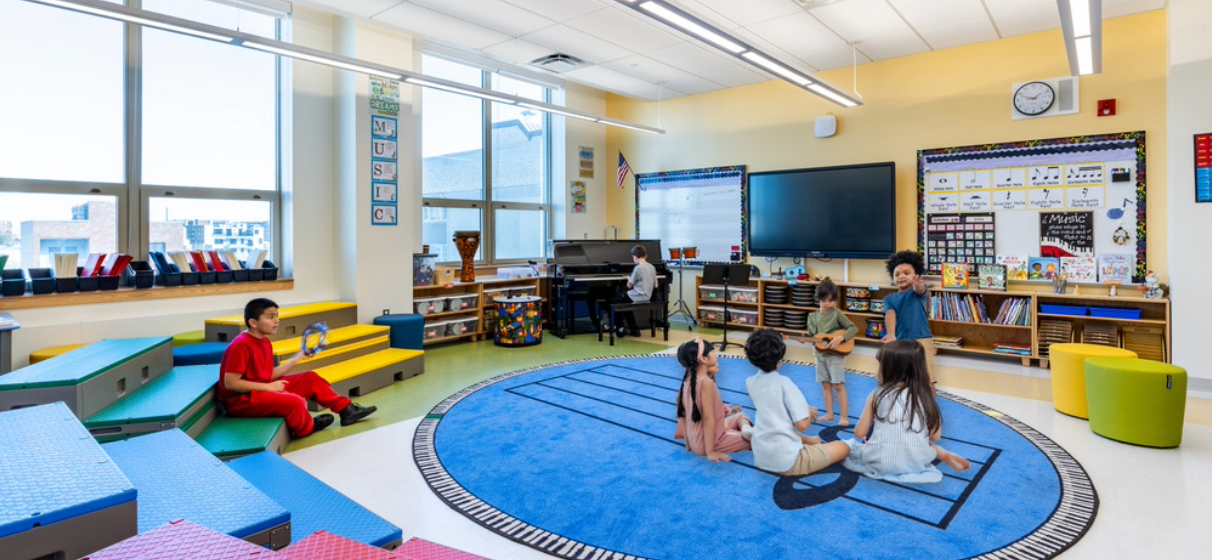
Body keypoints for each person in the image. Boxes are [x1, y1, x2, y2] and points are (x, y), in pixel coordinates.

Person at [217, 298, 377, 437]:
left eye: (277, 316)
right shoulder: (241, 345)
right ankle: (307, 428)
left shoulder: (265, 341)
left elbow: (268, 375)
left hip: (259, 389)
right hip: (240, 401)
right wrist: (267, 388)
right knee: (295, 402)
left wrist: (296, 359)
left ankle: (346, 410)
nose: (277, 321)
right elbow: (231, 383)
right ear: (253, 322)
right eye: (271, 317)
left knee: (310, 378)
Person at [843, 340, 970, 482]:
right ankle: (938, 453)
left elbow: (859, 433)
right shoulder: (925, 397)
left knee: (849, 445)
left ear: (888, 370)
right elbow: (935, 436)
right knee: (921, 442)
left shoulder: (877, 394)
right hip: (916, 463)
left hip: (878, 462)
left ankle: (928, 451)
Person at [744, 329, 850, 476]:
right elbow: (802, 425)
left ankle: (811, 442)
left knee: (779, 426)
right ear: (779, 361)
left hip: (761, 456)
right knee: (843, 447)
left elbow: (776, 410)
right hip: (788, 462)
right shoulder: (784, 383)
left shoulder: (750, 382)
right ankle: (811, 446)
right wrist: (809, 413)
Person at [673, 337, 752, 462]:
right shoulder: (706, 382)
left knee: (738, 415)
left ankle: (745, 429)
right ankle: (745, 431)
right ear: (703, 359)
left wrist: (689, 446)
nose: (716, 356)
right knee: (759, 440)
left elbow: (683, 416)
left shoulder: (687, 382)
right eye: (713, 353)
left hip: (699, 439)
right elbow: (708, 418)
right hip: (713, 441)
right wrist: (710, 452)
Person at [804, 279, 857, 427]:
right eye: (824, 300)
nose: (828, 303)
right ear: (818, 298)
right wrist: (805, 339)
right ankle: (829, 414)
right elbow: (813, 336)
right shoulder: (812, 317)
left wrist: (841, 338)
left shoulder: (837, 313)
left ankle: (844, 416)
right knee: (826, 385)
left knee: (838, 385)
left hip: (835, 356)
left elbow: (853, 328)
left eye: (831, 300)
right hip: (819, 356)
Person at [883, 250, 937, 385]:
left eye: (906, 273)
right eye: (897, 274)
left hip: (922, 340)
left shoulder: (917, 293)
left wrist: (916, 283)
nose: (901, 276)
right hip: (900, 341)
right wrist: (890, 334)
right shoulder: (889, 299)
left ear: (916, 275)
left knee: (926, 380)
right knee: (901, 379)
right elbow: (890, 314)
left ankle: (929, 406)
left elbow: (920, 289)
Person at [609, 245, 657, 338]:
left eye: (633, 257)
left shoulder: (638, 268)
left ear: (635, 256)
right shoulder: (652, 267)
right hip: (647, 297)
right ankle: (634, 329)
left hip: (636, 296)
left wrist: (629, 278)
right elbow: (656, 285)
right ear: (645, 255)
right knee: (625, 303)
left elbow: (629, 285)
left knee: (615, 300)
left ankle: (620, 328)